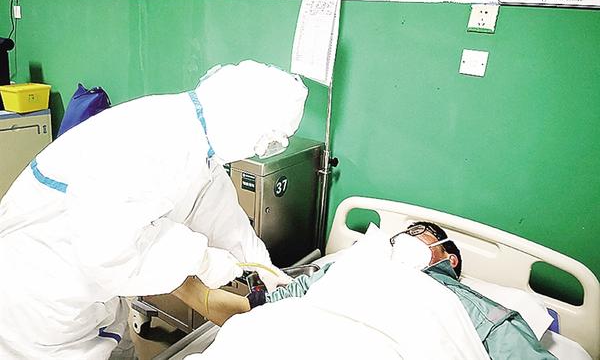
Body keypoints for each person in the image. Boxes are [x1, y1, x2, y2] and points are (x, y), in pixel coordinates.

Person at [0, 60, 307, 360]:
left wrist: (260, 263)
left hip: (89, 287)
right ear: (242, 119)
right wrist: (202, 260)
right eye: (268, 140)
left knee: (116, 343)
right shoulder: (152, 141)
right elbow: (108, 247)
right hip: (42, 293)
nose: (262, 150)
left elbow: (216, 211)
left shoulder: (195, 139)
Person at [244, 221, 557, 360]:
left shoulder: (474, 307)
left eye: (418, 232)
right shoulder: (355, 266)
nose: (404, 237)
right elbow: (282, 299)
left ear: (450, 258)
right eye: (401, 234)